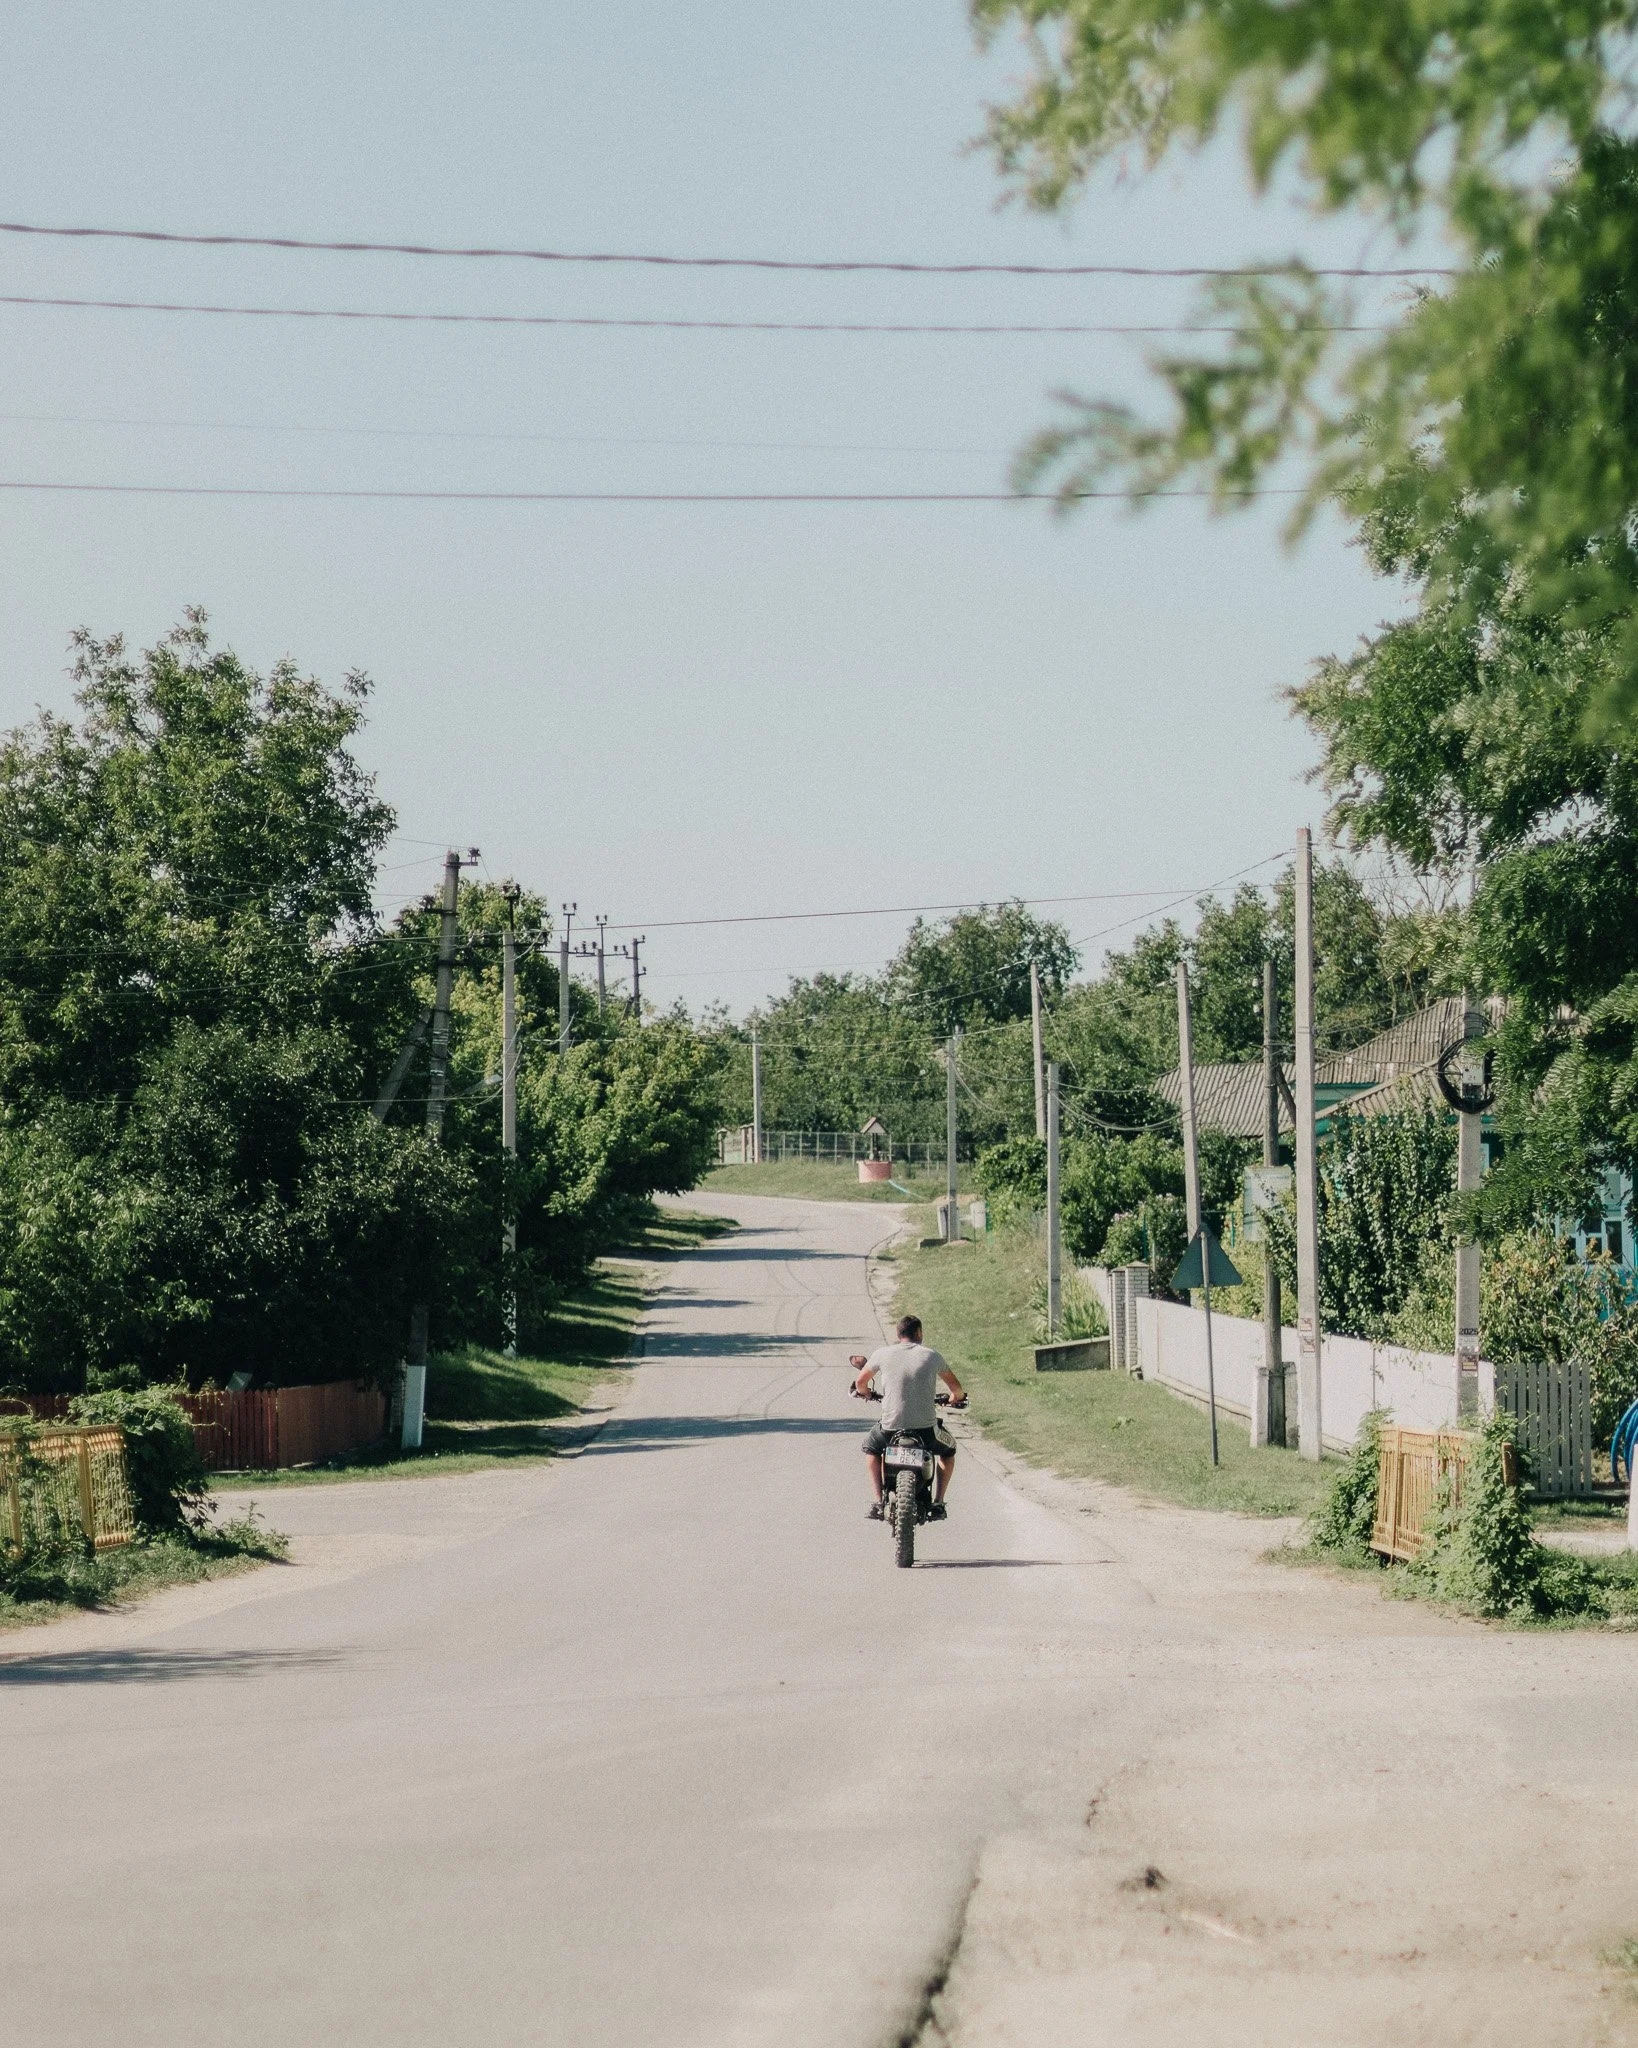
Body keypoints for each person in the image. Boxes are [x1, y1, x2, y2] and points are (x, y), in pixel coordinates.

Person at [850, 1314, 965, 1521]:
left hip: (890, 1428)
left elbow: (860, 1383)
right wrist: (954, 1398)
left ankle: (877, 1502)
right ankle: (938, 1502)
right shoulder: (931, 1356)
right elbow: (957, 1390)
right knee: (949, 1450)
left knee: (871, 1448)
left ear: (898, 1334)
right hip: (926, 1431)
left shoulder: (882, 1353)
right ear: (919, 1333)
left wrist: (866, 1392)